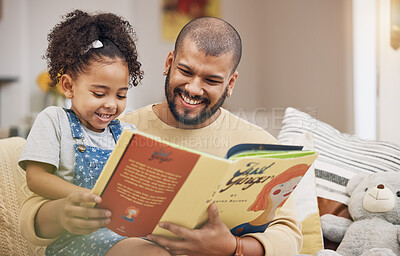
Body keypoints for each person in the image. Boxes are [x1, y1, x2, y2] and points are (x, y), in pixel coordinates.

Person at [20, 16, 303, 256]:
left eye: (212, 80)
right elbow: (33, 210)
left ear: (231, 83)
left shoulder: (259, 145)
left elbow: (290, 234)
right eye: (185, 71)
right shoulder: (116, 128)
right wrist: (62, 215)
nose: (194, 88)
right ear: (169, 62)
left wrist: (233, 247)